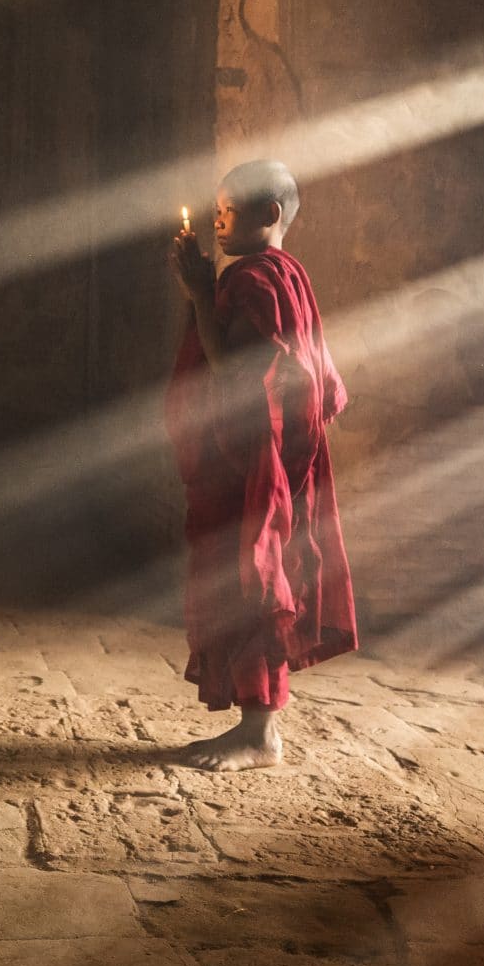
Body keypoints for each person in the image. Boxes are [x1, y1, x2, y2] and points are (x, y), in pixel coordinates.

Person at [164, 159, 357, 769]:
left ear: (269, 215)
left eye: (228, 212)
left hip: (257, 458)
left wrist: (199, 295)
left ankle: (260, 734)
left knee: (255, 575)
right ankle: (256, 726)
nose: (216, 223)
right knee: (254, 572)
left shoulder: (258, 280)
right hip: (257, 453)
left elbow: (239, 378)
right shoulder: (279, 274)